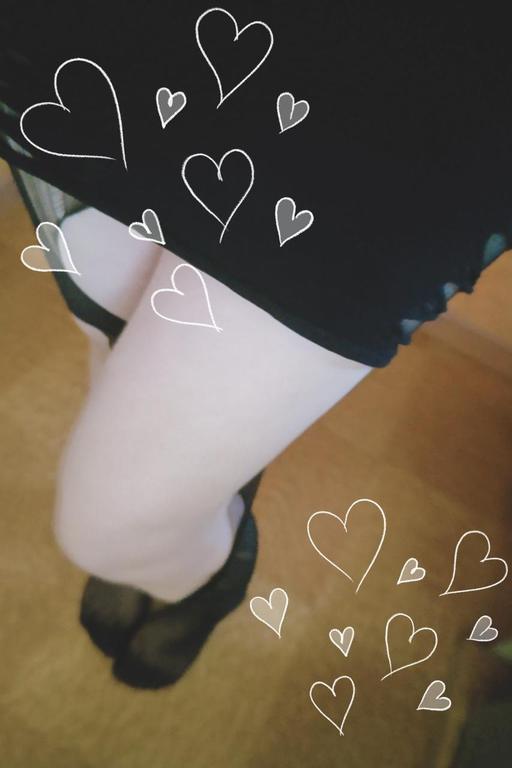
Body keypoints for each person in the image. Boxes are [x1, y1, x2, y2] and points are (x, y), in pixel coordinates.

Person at [1, 1, 510, 689]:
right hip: (156, 31)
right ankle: (184, 512)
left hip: (409, 83)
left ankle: (202, 573)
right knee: (115, 330)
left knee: (103, 532)